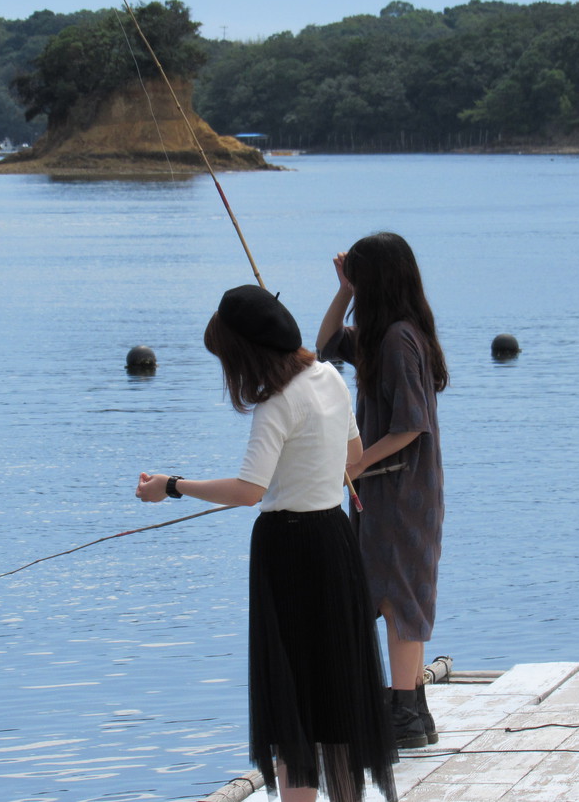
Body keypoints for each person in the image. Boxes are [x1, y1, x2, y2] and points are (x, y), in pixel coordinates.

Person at [137, 284, 396, 802]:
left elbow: (248, 492)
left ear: (246, 355)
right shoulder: (328, 378)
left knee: (290, 697)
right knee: (336, 686)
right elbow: (353, 456)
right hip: (335, 540)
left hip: (289, 552)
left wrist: (172, 486)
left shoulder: (276, 403)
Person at [316, 232, 448, 750]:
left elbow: (411, 426)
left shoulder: (397, 339)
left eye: (360, 279)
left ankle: (405, 718)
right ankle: (412, 710)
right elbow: (325, 345)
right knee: (392, 593)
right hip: (386, 489)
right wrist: (344, 290)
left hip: (400, 489)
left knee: (398, 600)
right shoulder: (384, 335)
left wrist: (355, 462)